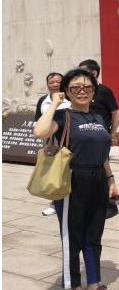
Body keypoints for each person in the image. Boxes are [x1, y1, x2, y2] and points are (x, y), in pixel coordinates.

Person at [33, 68, 119, 290]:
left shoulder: (98, 117)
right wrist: (55, 103)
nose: (82, 91)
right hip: (72, 181)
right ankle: (76, 289)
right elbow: (39, 132)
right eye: (75, 87)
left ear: (94, 90)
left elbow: (102, 153)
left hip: (98, 179)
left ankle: (94, 285)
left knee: (94, 236)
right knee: (72, 237)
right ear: (67, 91)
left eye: (87, 87)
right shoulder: (63, 116)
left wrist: (111, 179)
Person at [35, 72, 71, 216]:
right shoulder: (43, 101)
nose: (55, 84)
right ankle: (54, 203)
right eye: (52, 82)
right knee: (53, 173)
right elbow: (38, 121)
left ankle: (68, 201)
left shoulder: (70, 99)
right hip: (51, 142)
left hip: (68, 142)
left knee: (67, 173)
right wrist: (46, 143)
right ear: (47, 84)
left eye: (58, 82)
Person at [78, 60, 119, 138]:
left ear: (94, 73)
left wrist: (112, 134)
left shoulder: (104, 91)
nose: (79, 75)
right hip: (81, 134)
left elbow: (116, 113)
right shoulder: (78, 90)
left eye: (82, 72)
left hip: (101, 135)